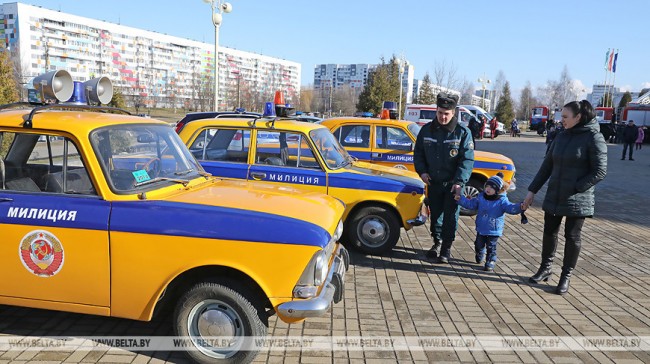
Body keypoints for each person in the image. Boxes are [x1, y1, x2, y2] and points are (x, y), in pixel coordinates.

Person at [523, 100, 607, 295]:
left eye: (566, 117)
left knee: (572, 236)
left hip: (578, 198)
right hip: (554, 195)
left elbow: (600, 171)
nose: (562, 121)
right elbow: (547, 166)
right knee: (549, 232)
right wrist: (531, 191)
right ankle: (545, 268)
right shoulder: (561, 136)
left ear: (578, 117)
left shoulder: (594, 138)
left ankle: (565, 276)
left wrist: (577, 187)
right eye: (561, 117)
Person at [414, 92, 475, 263]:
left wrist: (459, 182)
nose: (442, 117)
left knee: (450, 215)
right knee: (436, 215)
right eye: (440, 113)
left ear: (454, 112)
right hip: (433, 182)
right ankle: (437, 242)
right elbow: (418, 153)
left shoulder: (462, 132)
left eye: (446, 114)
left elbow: (467, 159)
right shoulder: (427, 130)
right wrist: (422, 172)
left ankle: (446, 248)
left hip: (453, 184)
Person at [455, 173, 526, 271]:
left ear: (497, 190)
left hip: (494, 229)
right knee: (478, 244)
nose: (488, 189)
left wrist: (519, 207)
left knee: (491, 246)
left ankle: (490, 261)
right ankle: (479, 252)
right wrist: (461, 199)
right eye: (487, 186)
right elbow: (471, 204)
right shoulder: (481, 197)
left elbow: (510, 208)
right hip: (481, 227)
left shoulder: (502, 200)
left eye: (491, 187)